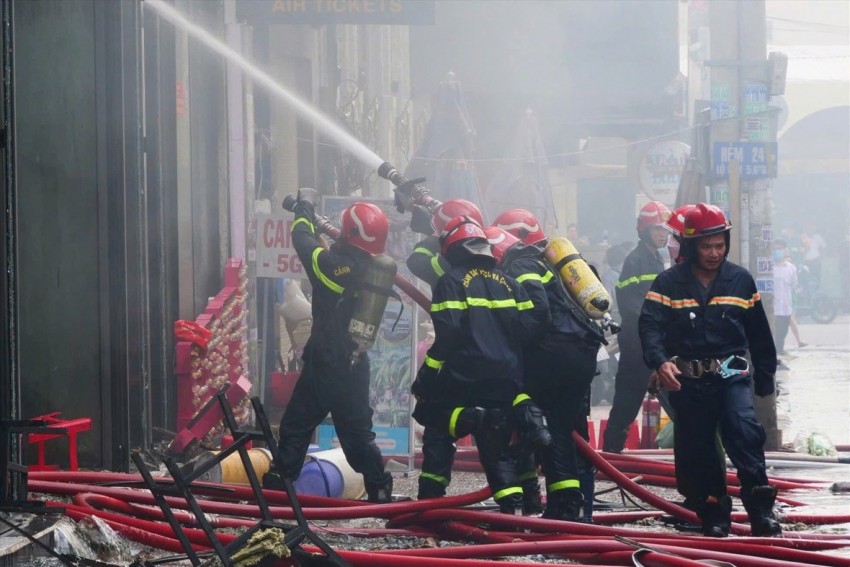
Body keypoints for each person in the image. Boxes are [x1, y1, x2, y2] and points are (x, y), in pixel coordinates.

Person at [640, 203, 781, 538]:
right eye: (706, 246)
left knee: (744, 432)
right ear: (690, 247)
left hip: (732, 375)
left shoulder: (741, 281)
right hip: (688, 382)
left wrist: (765, 378)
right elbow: (650, 327)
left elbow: (760, 334)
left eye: (720, 245)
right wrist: (659, 362)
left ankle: (761, 510)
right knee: (699, 448)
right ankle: (714, 513)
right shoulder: (668, 284)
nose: (714, 253)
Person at [411, 215, 548, 514]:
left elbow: (447, 333)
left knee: (435, 422)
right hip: (508, 378)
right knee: (501, 439)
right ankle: (524, 502)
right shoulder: (510, 283)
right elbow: (528, 328)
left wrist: (426, 375)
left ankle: (430, 502)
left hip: (466, 377)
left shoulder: (451, 281)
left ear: (453, 250)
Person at [264, 189, 394, 503]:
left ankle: (277, 491)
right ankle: (380, 489)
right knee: (358, 436)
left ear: (350, 232)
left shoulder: (340, 266)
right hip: (355, 363)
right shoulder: (370, 265)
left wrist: (304, 211)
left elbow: (305, 247)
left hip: (326, 364)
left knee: (296, 426)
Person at [491, 209, 606, 521]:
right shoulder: (552, 263)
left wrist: (512, 339)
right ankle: (572, 510)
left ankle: (566, 508)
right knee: (563, 430)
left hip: (556, 355)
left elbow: (538, 310)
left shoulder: (522, 263)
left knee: (531, 412)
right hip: (579, 353)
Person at [406, 198, 484, 501]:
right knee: (496, 434)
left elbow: (417, 261)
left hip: (456, 356)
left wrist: (432, 232)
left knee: (439, 424)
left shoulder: (448, 268)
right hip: (495, 358)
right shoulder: (492, 265)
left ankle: (431, 498)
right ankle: (518, 502)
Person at [601, 201, 670, 454]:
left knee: (676, 400)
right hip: (637, 344)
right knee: (627, 402)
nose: (663, 234)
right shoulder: (635, 260)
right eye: (657, 230)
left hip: (653, 341)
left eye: (665, 230)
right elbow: (631, 304)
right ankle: (610, 456)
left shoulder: (657, 259)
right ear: (644, 230)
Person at [772, 240, 798, 356]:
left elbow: (794, 285)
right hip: (773, 307)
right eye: (775, 248)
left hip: (786, 306)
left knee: (783, 332)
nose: (777, 251)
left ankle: (780, 351)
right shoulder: (770, 267)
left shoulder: (791, 268)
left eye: (780, 248)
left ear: (785, 250)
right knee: (775, 331)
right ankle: (776, 352)